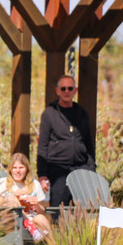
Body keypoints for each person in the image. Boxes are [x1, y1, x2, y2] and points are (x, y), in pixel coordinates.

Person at [36, 75, 96, 207]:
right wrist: (42, 174)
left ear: (76, 90)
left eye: (70, 88)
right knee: (58, 209)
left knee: (83, 209)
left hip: (80, 168)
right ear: (57, 91)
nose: (67, 92)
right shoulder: (49, 114)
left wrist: (91, 167)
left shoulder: (82, 113)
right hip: (57, 168)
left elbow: (88, 142)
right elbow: (42, 145)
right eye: (63, 89)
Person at [0, 153, 51, 241]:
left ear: (26, 169)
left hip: (32, 218)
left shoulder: (34, 184)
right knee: (12, 199)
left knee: (41, 219)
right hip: (11, 221)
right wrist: (13, 197)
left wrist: (36, 204)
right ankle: (29, 225)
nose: (18, 171)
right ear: (10, 170)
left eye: (21, 167)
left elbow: (42, 211)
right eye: (15, 168)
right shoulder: (2, 183)